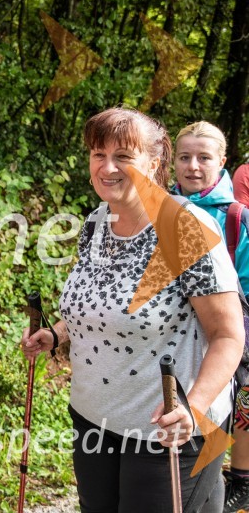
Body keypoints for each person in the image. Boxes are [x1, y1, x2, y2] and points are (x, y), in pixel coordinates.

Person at [22, 107, 243, 512]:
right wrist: (57, 332)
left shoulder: (183, 228)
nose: (108, 167)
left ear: (153, 163)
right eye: (98, 154)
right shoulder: (96, 222)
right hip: (95, 418)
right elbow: (100, 302)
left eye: (124, 156)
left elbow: (228, 335)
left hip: (171, 431)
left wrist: (192, 410)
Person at [173, 120, 249, 513]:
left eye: (204, 157)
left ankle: (235, 481)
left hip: (223, 339)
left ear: (222, 162)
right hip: (171, 341)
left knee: (220, 422)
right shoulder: (158, 207)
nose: (193, 166)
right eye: (184, 157)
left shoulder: (234, 216)